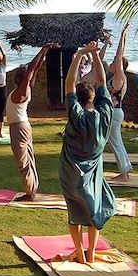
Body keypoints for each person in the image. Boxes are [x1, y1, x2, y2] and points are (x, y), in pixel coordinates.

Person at [59, 41, 116, 264]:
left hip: (71, 173)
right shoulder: (105, 114)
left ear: (79, 99)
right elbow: (102, 81)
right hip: (93, 176)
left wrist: (80, 54)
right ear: (93, 97)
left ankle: (81, 254)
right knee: (93, 212)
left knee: (74, 212)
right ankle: (91, 252)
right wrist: (95, 57)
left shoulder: (76, 115)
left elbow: (69, 84)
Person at [6, 43, 57, 201]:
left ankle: (30, 193)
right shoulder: (26, 89)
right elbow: (34, 70)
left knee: (23, 161)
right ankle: (32, 190)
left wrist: (43, 49)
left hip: (18, 128)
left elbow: (30, 70)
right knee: (28, 158)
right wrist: (45, 51)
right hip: (23, 126)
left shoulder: (21, 92)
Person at [107, 24, 132, 182]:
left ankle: (124, 174)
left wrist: (122, 35)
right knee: (116, 142)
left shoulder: (119, 78)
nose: (111, 63)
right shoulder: (119, 79)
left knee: (115, 142)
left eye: (114, 62)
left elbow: (119, 55)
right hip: (115, 113)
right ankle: (125, 172)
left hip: (114, 113)